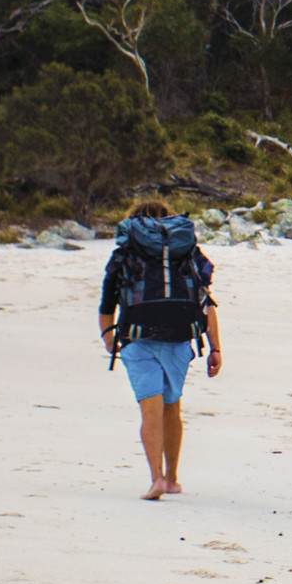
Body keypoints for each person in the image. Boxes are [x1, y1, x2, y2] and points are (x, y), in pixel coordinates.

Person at [99, 199, 220, 502]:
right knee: (172, 407)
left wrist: (109, 338)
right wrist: (215, 348)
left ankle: (156, 479)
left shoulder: (124, 254)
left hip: (136, 337)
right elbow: (206, 303)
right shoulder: (186, 252)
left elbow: (107, 305)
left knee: (149, 410)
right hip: (178, 338)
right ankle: (173, 478)